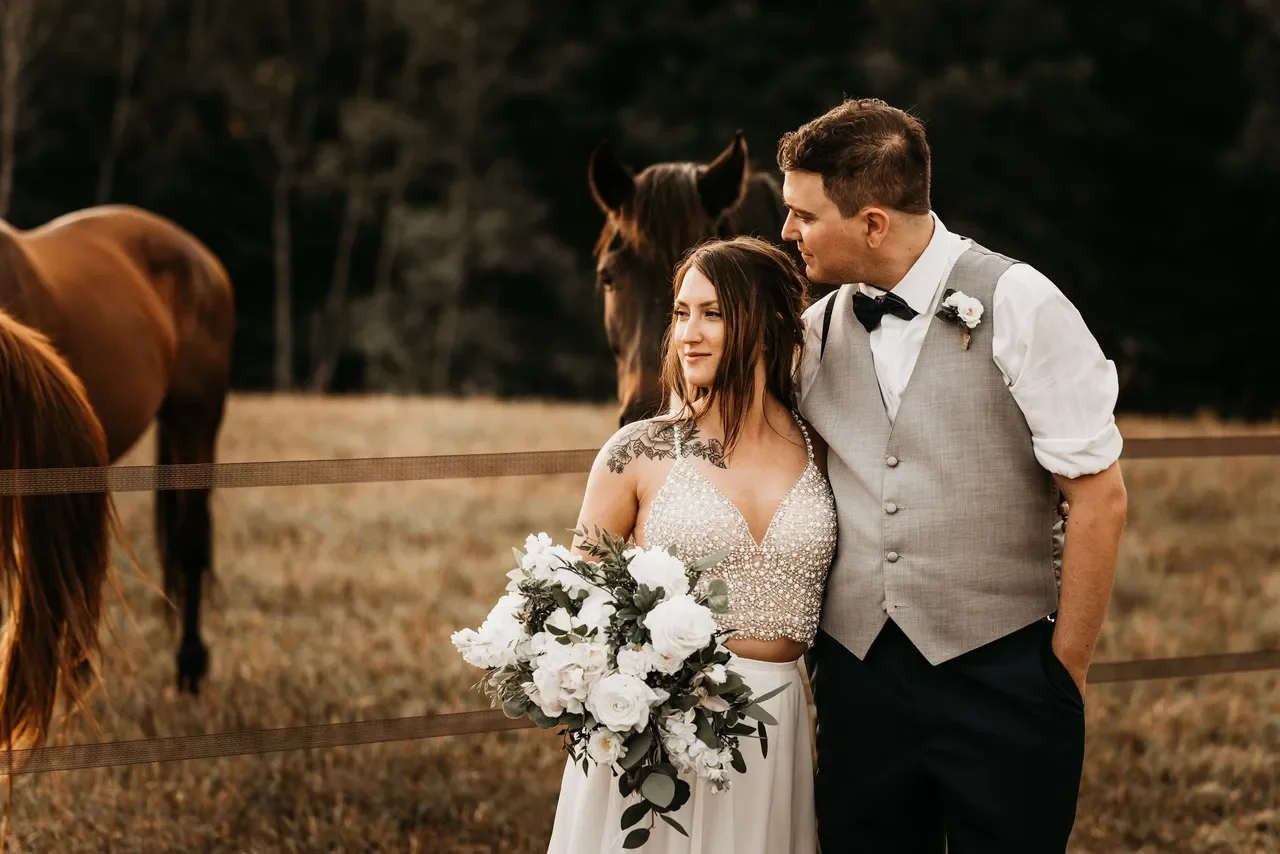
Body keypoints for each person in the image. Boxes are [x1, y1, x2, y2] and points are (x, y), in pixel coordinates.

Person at [780, 97, 1130, 853]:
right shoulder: (807, 338)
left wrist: (1060, 677)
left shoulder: (1021, 302)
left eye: (804, 216)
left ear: (872, 222)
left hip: (1003, 678)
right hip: (859, 682)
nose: (788, 233)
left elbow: (1099, 498)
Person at [545, 235, 835, 853]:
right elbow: (571, 607)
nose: (688, 334)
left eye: (713, 313)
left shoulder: (826, 449)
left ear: (768, 324)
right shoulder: (640, 452)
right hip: (658, 732)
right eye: (682, 313)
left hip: (777, 729)